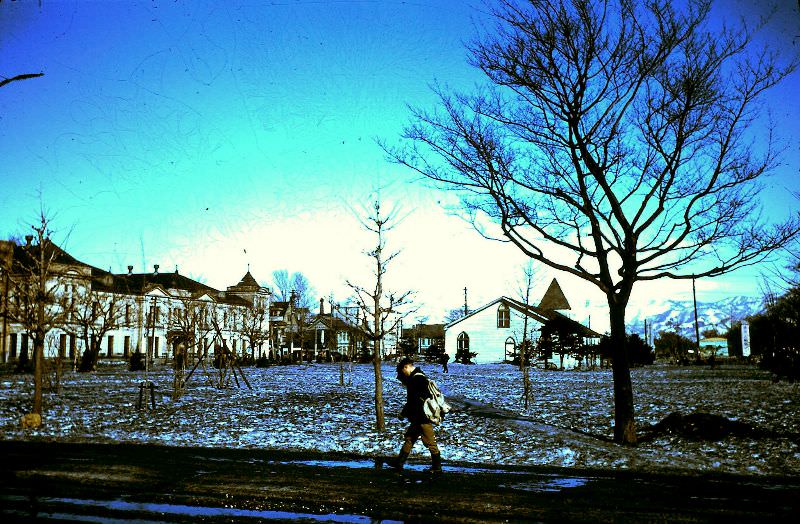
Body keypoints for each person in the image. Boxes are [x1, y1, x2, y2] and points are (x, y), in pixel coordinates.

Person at [392, 357, 442, 474]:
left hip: (422, 418)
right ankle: (399, 463)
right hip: (419, 417)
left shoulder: (416, 380)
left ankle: (437, 467)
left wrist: (403, 414)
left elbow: (412, 401)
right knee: (410, 438)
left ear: (407, 367)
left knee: (430, 442)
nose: (402, 374)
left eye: (402, 371)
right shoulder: (420, 377)